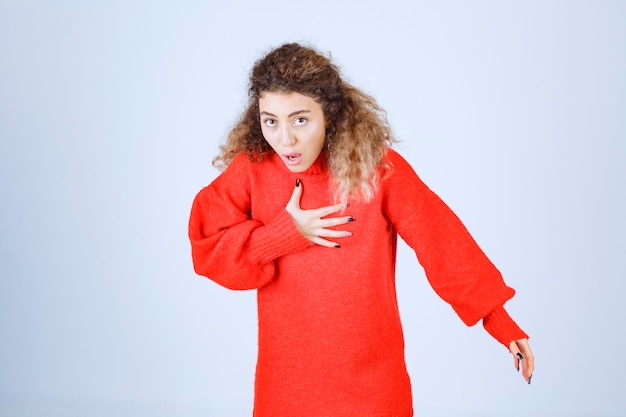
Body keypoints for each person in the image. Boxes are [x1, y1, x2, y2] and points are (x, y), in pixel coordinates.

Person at [188, 42, 534, 417]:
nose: (284, 139)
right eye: (271, 120)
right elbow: (207, 245)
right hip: (287, 386)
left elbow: (440, 240)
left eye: (300, 119)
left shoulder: (376, 168)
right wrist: (285, 234)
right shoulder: (253, 169)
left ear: (329, 114)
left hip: (373, 386)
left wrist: (497, 320)